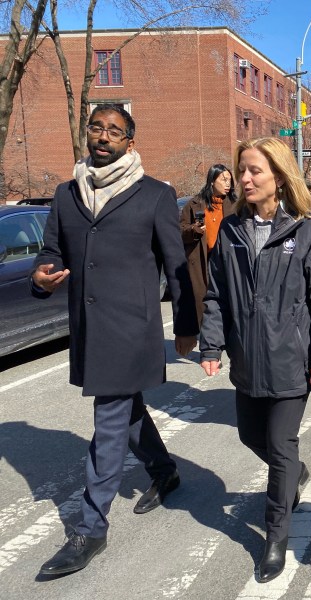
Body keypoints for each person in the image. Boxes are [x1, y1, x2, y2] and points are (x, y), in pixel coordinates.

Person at [31, 104, 198, 576]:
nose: (103, 136)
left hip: (131, 328)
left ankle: (91, 528)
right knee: (127, 410)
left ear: (130, 142)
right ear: (88, 133)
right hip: (88, 325)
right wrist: (42, 275)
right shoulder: (67, 193)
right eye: (96, 128)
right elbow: (52, 249)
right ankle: (164, 470)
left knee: (108, 420)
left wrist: (187, 325)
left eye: (114, 131)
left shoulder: (156, 194)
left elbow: (176, 265)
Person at [199, 137, 311, 583]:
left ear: (279, 177)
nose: (244, 179)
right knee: (250, 436)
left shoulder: (308, 232)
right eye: (241, 170)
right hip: (247, 359)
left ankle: (275, 537)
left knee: (281, 448)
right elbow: (216, 294)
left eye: (254, 170)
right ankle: (294, 473)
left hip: (291, 362)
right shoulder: (230, 231)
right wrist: (211, 345)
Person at [180, 164, 237, 325]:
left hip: (227, 261)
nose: (228, 184)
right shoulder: (194, 204)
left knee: (228, 301)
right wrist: (194, 230)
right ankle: (206, 334)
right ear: (212, 181)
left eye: (230, 180)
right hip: (202, 261)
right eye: (223, 179)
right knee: (203, 303)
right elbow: (180, 231)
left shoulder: (236, 205)